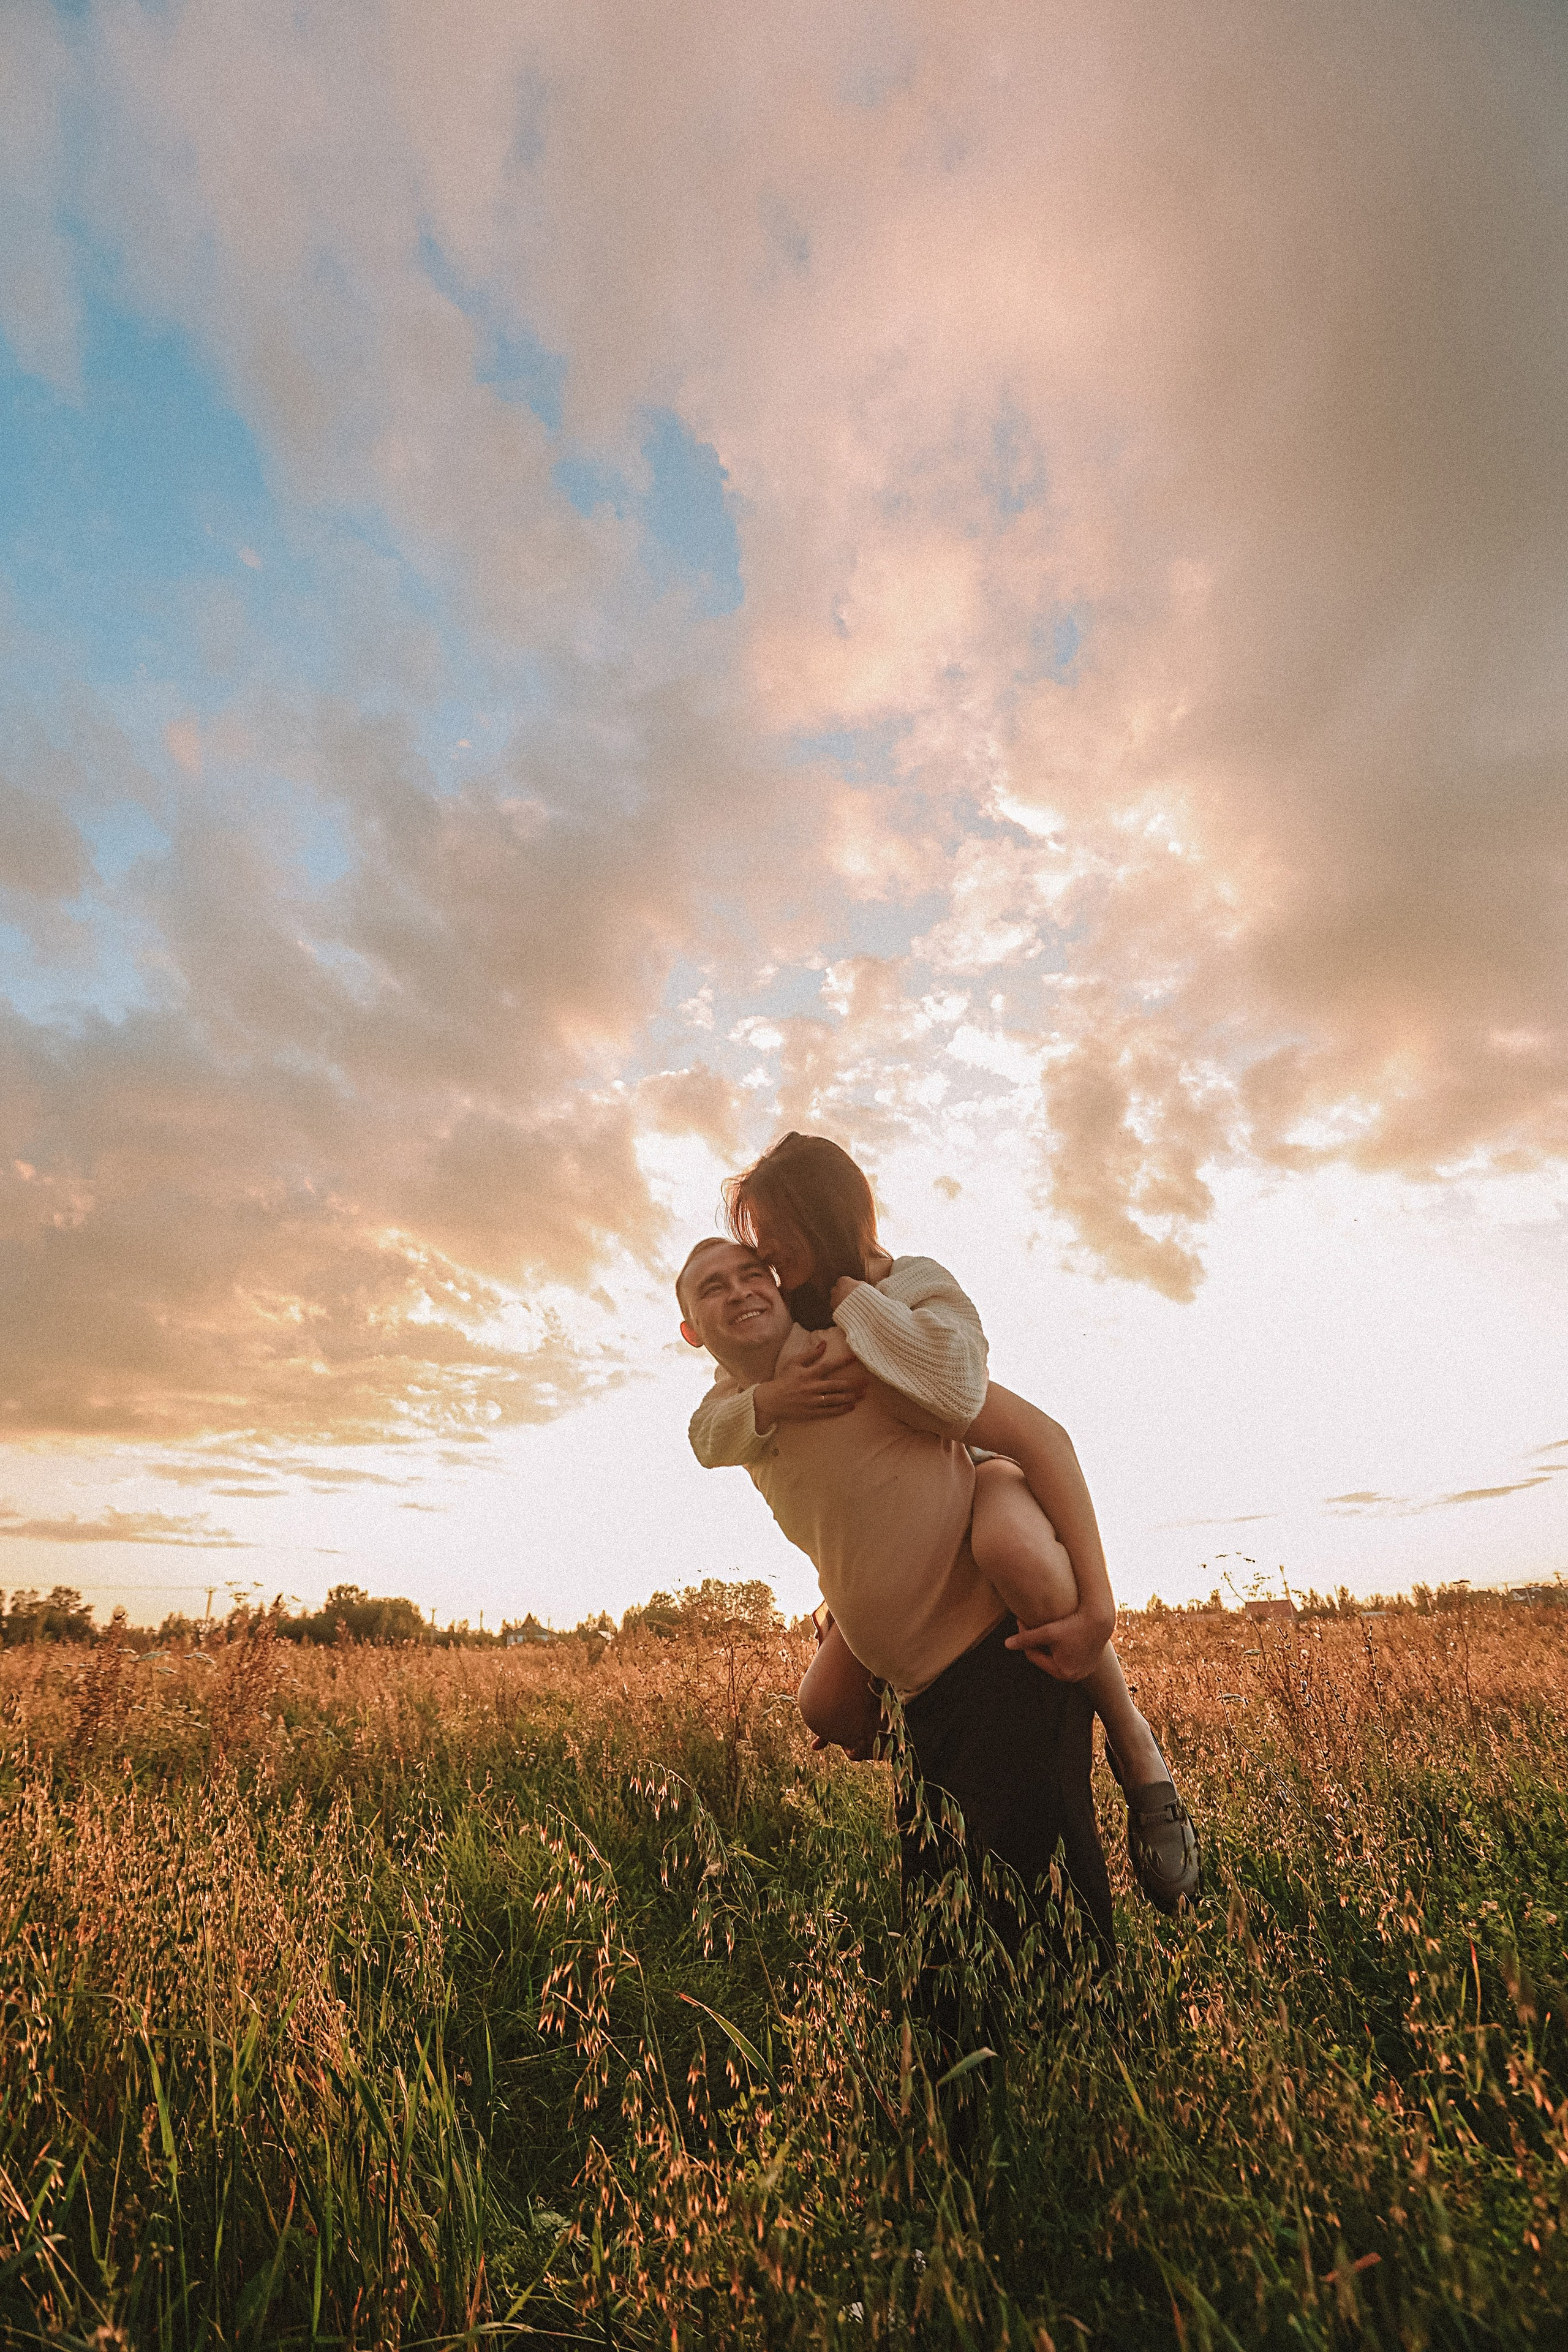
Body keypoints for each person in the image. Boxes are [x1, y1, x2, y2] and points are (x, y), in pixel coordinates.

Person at [681, 1133, 1198, 1914]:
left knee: (1014, 1551)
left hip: (986, 1474)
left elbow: (963, 1393)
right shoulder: (764, 1368)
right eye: (753, 1245)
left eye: (771, 1239)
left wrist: (853, 1297)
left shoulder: (901, 1292)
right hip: (915, 1575)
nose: (765, 1257)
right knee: (824, 1704)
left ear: (823, 1218)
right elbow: (727, 1445)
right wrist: (770, 1401)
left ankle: (1134, 1740)